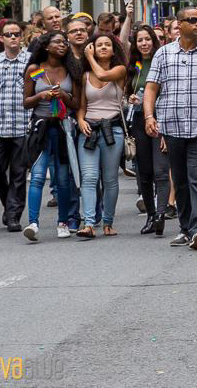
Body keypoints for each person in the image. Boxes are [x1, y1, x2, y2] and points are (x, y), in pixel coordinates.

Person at [143, 7, 197, 251]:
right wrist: (149, 116)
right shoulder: (163, 54)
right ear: (179, 25)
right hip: (171, 127)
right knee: (180, 180)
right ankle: (185, 228)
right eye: (192, 20)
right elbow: (151, 87)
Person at [22, 31, 82, 241]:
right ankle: (33, 223)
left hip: (63, 128)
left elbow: (77, 103)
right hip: (41, 128)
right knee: (37, 176)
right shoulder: (34, 70)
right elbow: (26, 102)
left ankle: (63, 222)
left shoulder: (71, 69)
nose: (63, 45)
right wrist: (41, 95)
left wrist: (64, 95)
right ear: (46, 46)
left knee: (63, 179)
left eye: (64, 42)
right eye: (58, 42)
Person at [75, 34, 127, 239]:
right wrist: (80, 120)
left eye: (108, 45)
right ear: (92, 48)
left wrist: (88, 58)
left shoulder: (119, 70)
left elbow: (104, 76)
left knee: (110, 178)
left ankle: (108, 222)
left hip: (112, 130)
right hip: (90, 130)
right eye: (99, 45)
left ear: (114, 50)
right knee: (89, 177)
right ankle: (89, 223)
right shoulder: (86, 75)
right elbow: (82, 105)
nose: (103, 47)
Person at [0, 20, 30, 231]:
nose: (12, 38)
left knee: (19, 173)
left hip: (22, 125)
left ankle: (13, 216)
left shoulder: (31, 61)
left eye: (16, 34)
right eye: (8, 34)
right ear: (1, 38)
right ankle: (7, 201)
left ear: (21, 37)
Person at [126, 25, 169, 236]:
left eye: (147, 39)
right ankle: (151, 215)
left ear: (154, 40)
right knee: (144, 172)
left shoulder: (163, 61)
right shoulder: (134, 65)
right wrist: (132, 100)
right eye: (139, 40)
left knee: (161, 170)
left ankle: (161, 214)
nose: (144, 43)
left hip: (161, 120)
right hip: (139, 120)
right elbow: (127, 91)